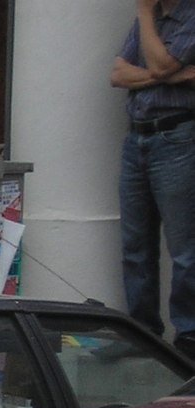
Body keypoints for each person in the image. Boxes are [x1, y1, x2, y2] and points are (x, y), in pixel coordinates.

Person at [112, 0, 195, 358]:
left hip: (177, 134)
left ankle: (189, 335)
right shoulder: (152, 18)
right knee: (135, 245)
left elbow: (160, 63)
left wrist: (144, 14)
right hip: (137, 138)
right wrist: (175, 75)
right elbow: (117, 74)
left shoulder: (188, 15)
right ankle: (143, 332)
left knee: (185, 247)